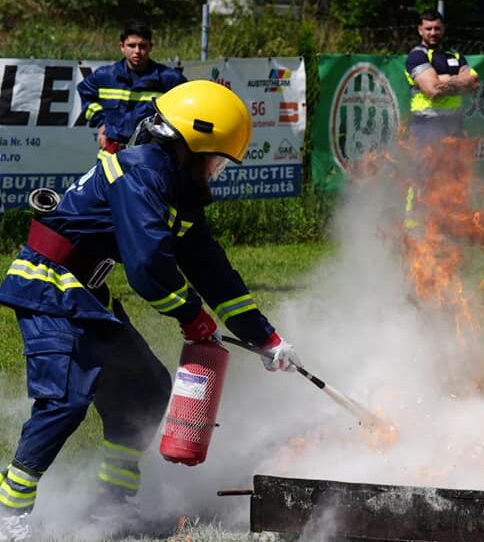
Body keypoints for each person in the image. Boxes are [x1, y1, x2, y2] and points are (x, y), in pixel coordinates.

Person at [0, 80, 299, 539]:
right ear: (193, 144)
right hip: (47, 286)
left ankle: (111, 505)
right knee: (66, 399)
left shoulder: (173, 186)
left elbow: (210, 267)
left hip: (86, 293)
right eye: (217, 158)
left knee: (145, 388)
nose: (217, 170)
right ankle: (9, 513)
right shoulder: (139, 171)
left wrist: (266, 338)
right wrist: (191, 316)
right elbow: (146, 265)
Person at [402, 10, 480, 228]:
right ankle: (414, 223)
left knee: (452, 176)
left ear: (443, 29)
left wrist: (443, 80)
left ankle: (443, 225)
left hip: (453, 126)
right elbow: (432, 90)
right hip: (425, 125)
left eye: (437, 28)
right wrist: (457, 81)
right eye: (428, 28)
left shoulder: (455, 56)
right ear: (420, 30)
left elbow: (474, 83)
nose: (433, 32)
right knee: (422, 176)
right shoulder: (417, 56)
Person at [77, 19, 187, 153]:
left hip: (150, 157)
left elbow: (186, 109)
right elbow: (85, 92)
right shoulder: (105, 76)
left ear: (150, 47)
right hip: (110, 155)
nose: (137, 51)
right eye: (131, 45)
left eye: (142, 46)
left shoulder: (169, 79)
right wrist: (100, 123)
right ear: (122, 46)